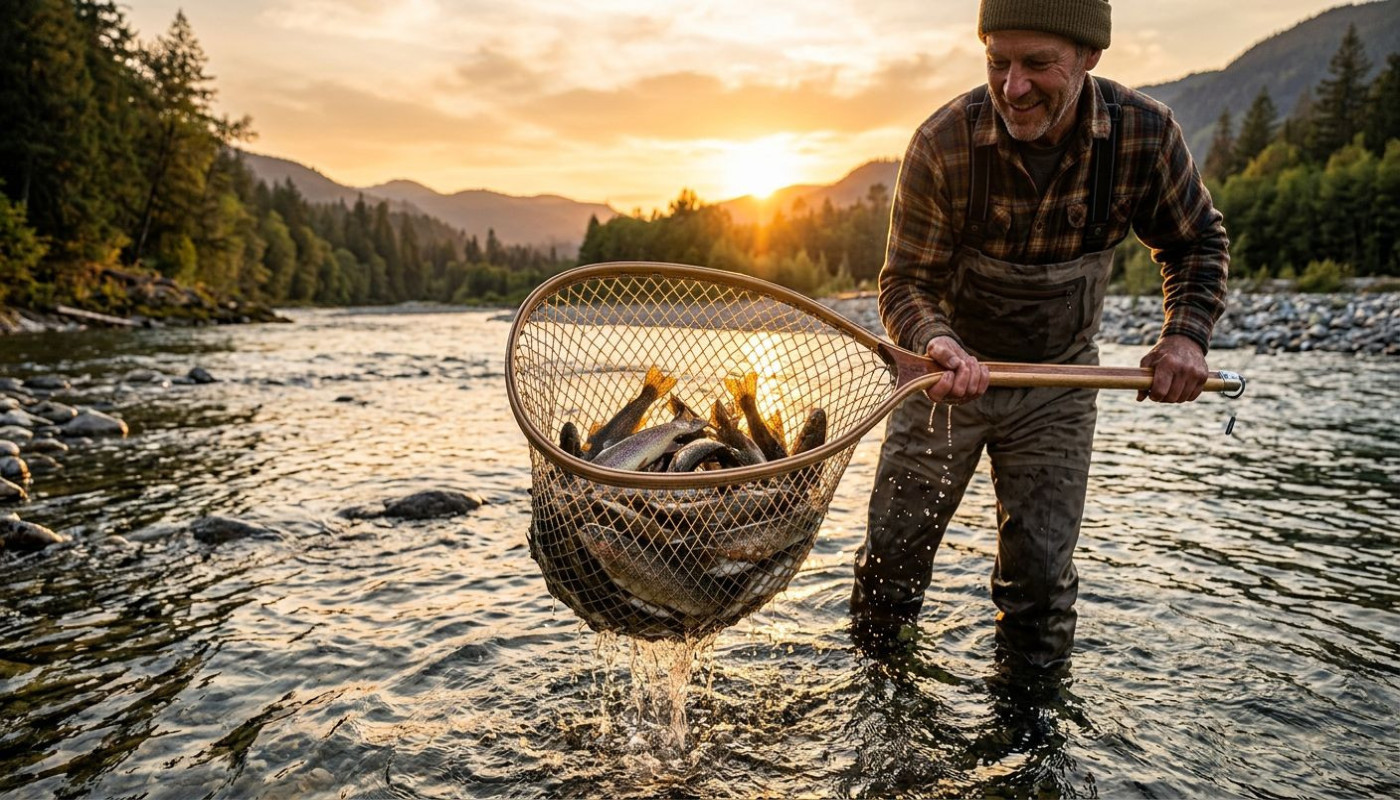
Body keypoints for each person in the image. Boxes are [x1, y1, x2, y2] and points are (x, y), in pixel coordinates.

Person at [850, 0, 1229, 669]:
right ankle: (883, 692)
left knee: (1040, 582)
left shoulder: (1145, 135)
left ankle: (1029, 733)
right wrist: (937, 342)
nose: (1012, 87)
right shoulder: (944, 142)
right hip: (943, 380)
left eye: (1037, 64)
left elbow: (1196, 242)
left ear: (1089, 56)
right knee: (893, 556)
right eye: (998, 61)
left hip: (1059, 384)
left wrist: (1185, 337)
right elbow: (904, 283)